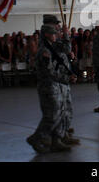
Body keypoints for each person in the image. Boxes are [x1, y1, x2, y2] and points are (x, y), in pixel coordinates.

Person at [27, 25, 73, 153]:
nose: (56, 35)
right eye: (54, 33)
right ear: (47, 35)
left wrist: (66, 35)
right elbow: (49, 72)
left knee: (60, 113)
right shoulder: (44, 51)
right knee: (52, 115)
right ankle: (36, 138)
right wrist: (66, 79)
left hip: (55, 85)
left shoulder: (51, 48)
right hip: (48, 86)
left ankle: (56, 140)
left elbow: (66, 49)